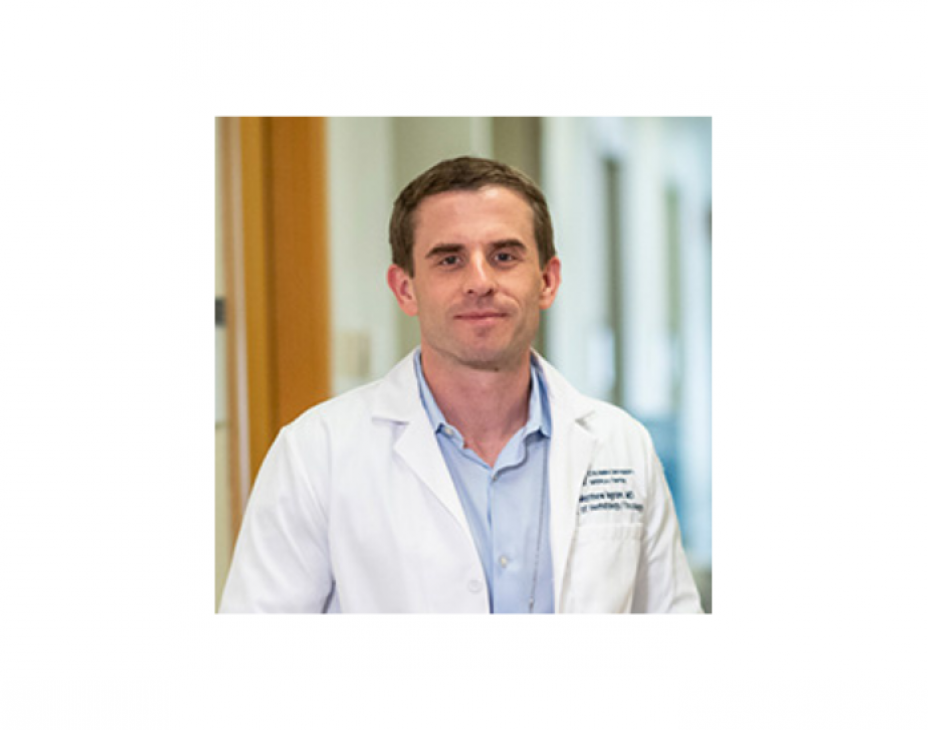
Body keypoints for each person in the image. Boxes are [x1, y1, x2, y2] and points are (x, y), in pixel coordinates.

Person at [220, 156, 702, 613]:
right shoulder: (315, 453)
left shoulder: (621, 446)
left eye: (505, 255)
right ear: (405, 289)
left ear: (548, 281)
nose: (479, 281)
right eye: (449, 259)